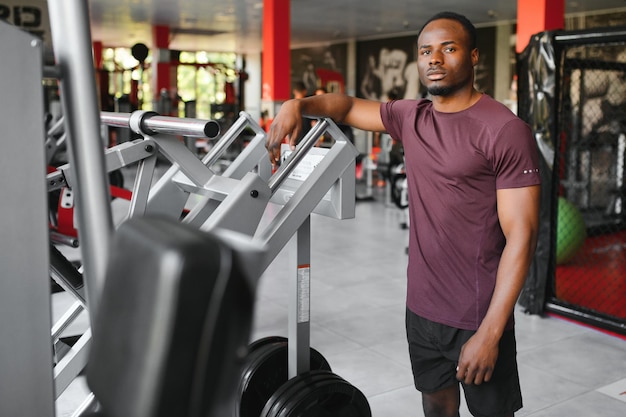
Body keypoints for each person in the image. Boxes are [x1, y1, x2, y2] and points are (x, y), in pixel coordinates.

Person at [267, 11, 541, 417]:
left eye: (448, 48)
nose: (435, 59)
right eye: (426, 51)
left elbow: (523, 236)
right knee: (435, 404)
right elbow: (343, 106)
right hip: (422, 305)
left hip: (478, 312)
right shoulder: (410, 117)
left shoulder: (504, 129)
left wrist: (492, 331)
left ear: (474, 56)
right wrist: (297, 104)